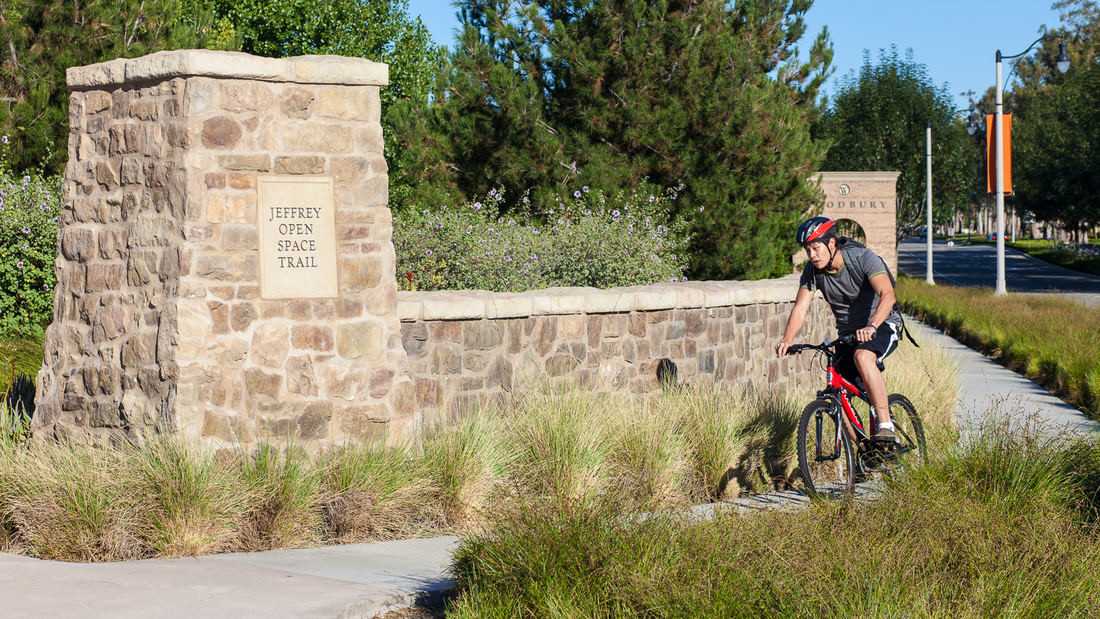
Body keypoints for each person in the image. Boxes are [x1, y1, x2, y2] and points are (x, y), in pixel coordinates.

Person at [775, 216, 904, 443]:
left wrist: (872, 325)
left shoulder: (863, 258)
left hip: (883, 324)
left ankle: (885, 425)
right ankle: (865, 450)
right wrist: (787, 339)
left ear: (832, 244)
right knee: (835, 391)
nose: (812, 255)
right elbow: (801, 306)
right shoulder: (812, 272)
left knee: (863, 356)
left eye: (816, 248)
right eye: (808, 250)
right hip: (849, 335)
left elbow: (888, 294)